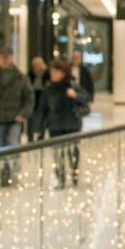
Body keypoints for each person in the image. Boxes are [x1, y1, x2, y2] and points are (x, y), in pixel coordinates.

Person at [0, 46, 34, 187]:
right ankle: (3, 178)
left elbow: (29, 98)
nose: (4, 59)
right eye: (1, 56)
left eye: (7, 56)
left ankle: (14, 177)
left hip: (14, 118)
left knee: (13, 149)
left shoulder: (20, 77)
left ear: (11, 57)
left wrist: (23, 114)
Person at [42, 58, 92, 188]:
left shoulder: (72, 86)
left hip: (72, 125)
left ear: (63, 73)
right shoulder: (48, 89)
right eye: (52, 72)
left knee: (73, 153)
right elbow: (43, 109)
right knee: (58, 154)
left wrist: (75, 95)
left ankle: (74, 177)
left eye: (56, 72)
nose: (53, 75)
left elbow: (87, 97)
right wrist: (39, 127)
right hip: (55, 126)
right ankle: (60, 179)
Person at [28, 56, 49, 141]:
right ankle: (30, 136)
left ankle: (41, 135)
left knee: (41, 118)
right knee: (31, 119)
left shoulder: (47, 74)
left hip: (42, 99)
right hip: (32, 99)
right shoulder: (30, 75)